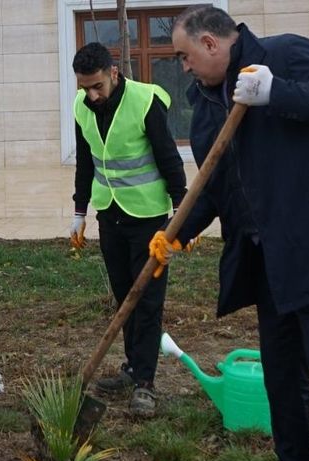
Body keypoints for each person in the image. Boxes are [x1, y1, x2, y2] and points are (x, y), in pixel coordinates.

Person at [150, 7, 309, 461]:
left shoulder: (284, 54)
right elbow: (216, 186)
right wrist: (174, 233)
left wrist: (277, 91)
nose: (185, 67)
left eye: (185, 56)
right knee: (282, 378)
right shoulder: (206, 101)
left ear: (212, 44)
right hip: (269, 262)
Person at [70, 42, 186, 417]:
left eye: (98, 85)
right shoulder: (81, 107)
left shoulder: (144, 102)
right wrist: (79, 211)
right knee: (124, 297)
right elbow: (85, 162)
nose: (91, 94)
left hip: (150, 219)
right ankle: (133, 367)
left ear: (114, 73)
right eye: (84, 87)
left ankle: (146, 384)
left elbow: (168, 156)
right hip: (110, 214)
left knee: (147, 300)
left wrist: (183, 211)